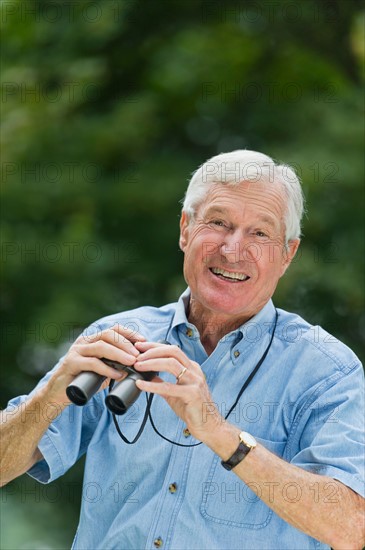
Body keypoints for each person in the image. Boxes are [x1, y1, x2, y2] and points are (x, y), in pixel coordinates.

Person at [1, 150, 364, 550]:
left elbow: (351, 528)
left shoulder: (328, 371)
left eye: (260, 233)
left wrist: (218, 432)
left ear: (288, 254)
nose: (232, 249)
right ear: (185, 229)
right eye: (218, 223)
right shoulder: (116, 337)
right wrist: (50, 393)